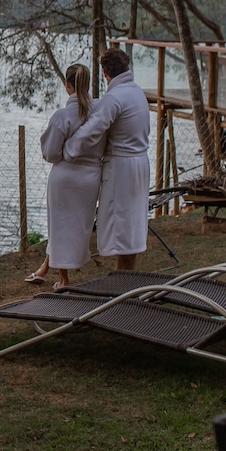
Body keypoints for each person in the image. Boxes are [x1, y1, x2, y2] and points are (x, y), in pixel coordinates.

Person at [62, 48, 150, 271]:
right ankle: (126, 275)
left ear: (104, 72)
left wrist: (68, 150)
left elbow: (91, 130)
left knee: (121, 224)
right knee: (131, 224)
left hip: (122, 169)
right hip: (141, 164)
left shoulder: (115, 98)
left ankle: (124, 281)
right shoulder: (137, 92)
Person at [26, 63, 102, 289]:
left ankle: (64, 279)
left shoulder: (63, 116)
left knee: (59, 225)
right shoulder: (99, 112)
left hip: (65, 177)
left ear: (68, 85)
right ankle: (45, 267)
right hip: (90, 177)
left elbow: (50, 153)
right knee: (78, 225)